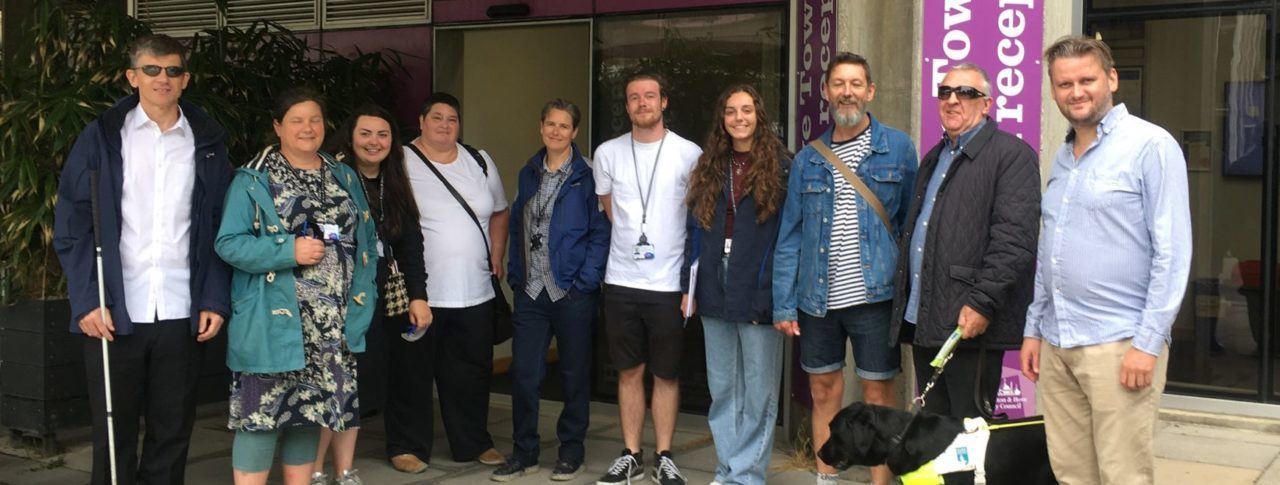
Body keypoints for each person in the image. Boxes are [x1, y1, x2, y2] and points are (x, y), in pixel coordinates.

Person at [52, 34, 232, 485]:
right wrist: (87, 300)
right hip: (114, 309)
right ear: (132, 77)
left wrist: (214, 297)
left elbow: (221, 225)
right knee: (113, 436)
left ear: (185, 79)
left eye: (173, 70)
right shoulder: (101, 136)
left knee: (173, 431)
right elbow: (72, 223)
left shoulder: (208, 141)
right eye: (151, 69)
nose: (162, 78)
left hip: (182, 309)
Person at [1020, 35, 1192, 485]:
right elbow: (1050, 247)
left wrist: (1147, 343)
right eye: (1064, 84)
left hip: (1120, 345)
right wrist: (1034, 328)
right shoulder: (1063, 157)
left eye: (1087, 80)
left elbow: (1173, 253)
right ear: (1053, 90)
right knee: (1071, 474)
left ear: (1111, 79)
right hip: (1058, 344)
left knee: (1123, 475)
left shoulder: (1151, 146)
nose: (1076, 92)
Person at [215, 88, 379, 485]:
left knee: (310, 416)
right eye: (297, 120)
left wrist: (364, 299)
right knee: (260, 419)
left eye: (315, 120)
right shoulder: (254, 179)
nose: (308, 128)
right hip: (274, 322)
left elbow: (363, 239)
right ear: (277, 126)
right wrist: (288, 250)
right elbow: (229, 243)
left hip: (332, 326)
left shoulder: (342, 174)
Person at [772, 52, 917, 485]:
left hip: (876, 297)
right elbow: (790, 235)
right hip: (817, 300)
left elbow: (911, 228)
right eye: (838, 83)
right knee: (823, 392)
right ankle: (826, 479)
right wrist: (784, 303)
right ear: (825, 92)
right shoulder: (808, 160)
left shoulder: (898, 148)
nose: (846, 92)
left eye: (855, 83)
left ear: (870, 91)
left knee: (878, 397)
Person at [889, 63, 1041, 431]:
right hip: (926, 318)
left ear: (987, 103)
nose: (953, 100)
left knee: (969, 433)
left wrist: (982, 303)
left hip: (969, 323)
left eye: (966, 93)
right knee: (934, 430)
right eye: (945, 92)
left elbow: (1014, 241)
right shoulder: (935, 156)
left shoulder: (1012, 155)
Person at [310, 105, 433, 485]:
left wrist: (419, 295)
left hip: (391, 287)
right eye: (365, 133)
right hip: (344, 290)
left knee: (405, 366)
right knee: (340, 376)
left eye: (383, 134)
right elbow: (321, 232)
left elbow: (410, 242)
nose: (374, 142)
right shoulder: (333, 176)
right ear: (350, 137)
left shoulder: (394, 179)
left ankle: (403, 446)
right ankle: (314, 465)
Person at [491, 99, 610, 482]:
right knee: (524, 374)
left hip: (572, 292)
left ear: (575, 132)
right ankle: (524, 452)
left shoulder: (588, 175)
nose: (556, 131)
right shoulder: (529, 172)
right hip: (531, 291)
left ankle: (571, 451)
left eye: (564, 126)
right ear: (541, 127)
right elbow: (516, 224)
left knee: (574, 375)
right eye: (550, 124)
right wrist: (515, 274)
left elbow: (601, 233)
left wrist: (586, 281)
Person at [593, 71, 702, 485]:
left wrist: (690, 286)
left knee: (667, 374)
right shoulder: (608, 153)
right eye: (634, 97)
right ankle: (631, 455)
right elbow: (609, 208)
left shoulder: (689, 153)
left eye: (650, 96)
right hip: (621, 281)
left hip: (668, 284)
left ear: (664, 102)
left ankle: (665, 455)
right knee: (628, 371)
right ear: (626, 106)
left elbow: (698, 219)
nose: (642, 103)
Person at [680, 84, 791, 485]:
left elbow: (789, 235)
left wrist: (782, 291)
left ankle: (746, 475)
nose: (739, 118)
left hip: (758, 283)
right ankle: (727, 468)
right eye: (731, 111)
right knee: (724, 387)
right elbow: (694, 231)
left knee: (759, 391)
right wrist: (688, 286)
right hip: (713, 281)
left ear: (759, 115)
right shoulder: (710, 165)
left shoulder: (783, 166)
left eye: (746, 110)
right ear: (722, 119)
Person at [399, 92, 508, 471]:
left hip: (474, 291)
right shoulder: (401, 160)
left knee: (472, 372)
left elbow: (500, 211)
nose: (445, 125)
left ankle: (473, 442)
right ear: (421, 121)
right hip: (421, 293)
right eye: (437, 117)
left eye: (452, 119)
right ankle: (408, 446)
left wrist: (497, 254)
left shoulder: (478, 160)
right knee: (413, 373)